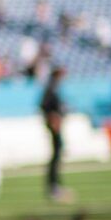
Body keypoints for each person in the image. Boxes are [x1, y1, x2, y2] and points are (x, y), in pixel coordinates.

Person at [40, 65, 70, 202]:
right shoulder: (51, 88)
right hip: (54, 127)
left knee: (57, 155)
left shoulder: (53, 88)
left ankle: (55, 185)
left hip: (56, 125)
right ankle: (53, 186)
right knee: (56, 155)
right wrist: (53, 118)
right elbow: (45, 106)